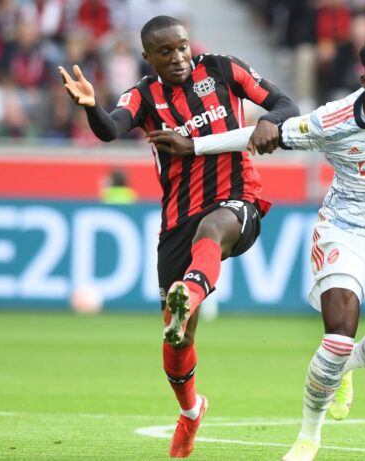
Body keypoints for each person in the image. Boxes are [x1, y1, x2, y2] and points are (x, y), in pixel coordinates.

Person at [163, 10, 365, 460]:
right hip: (345, 230)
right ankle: (309, 437)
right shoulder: (332, 122)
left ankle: (343, 368)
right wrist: (194, 145)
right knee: (338, 335)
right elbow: (261, 135)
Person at [58, 15, 298, 458]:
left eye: (182, 47)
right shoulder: (143, 95)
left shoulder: (224, 69)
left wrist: (270, 122)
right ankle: (190, 411)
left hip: (237, 198)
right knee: (178, 338)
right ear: (148, 57)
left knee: (213, 229)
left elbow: (285, 104)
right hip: (177, 222)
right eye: (165, 52)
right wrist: (91, 106)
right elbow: (111, 129)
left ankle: (189, 290)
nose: (178, 57)